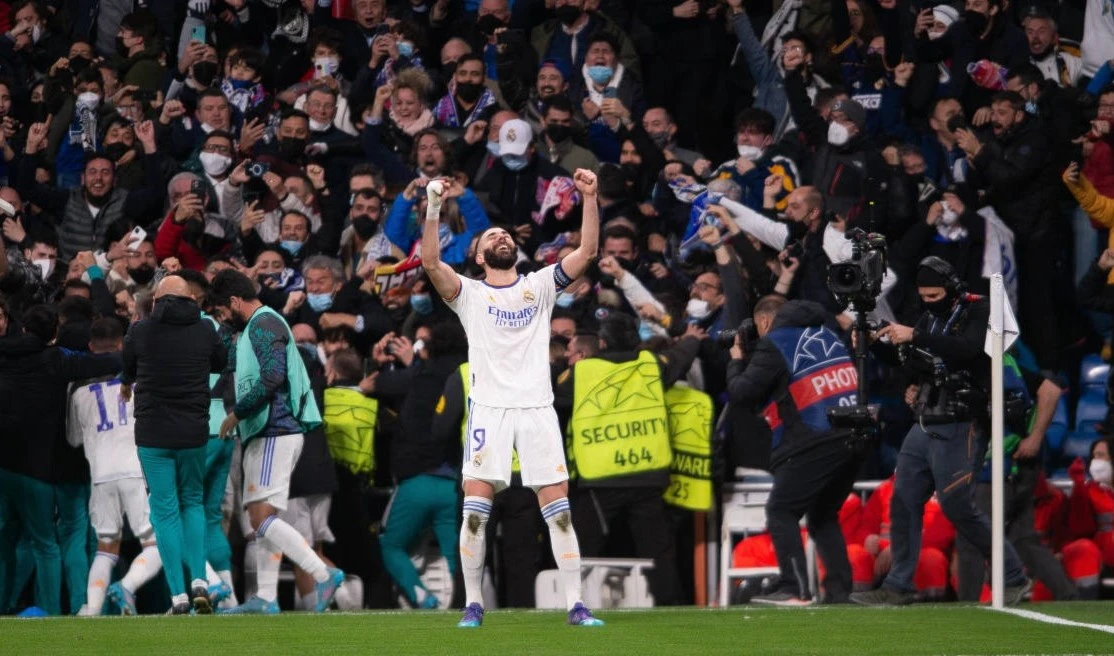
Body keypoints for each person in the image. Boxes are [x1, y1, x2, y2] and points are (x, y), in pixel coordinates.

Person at [420, 170, 604, 627]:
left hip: (537, 409)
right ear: (479, 256)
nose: (501, 237)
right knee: (476, 512)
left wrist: (590, 197)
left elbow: (587, 252)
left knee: (559, 512)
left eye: (505, 234)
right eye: (492, 237)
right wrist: (434, 207)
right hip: (489, 412)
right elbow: (430, 262)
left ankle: (576, 605)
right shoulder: (468, 293)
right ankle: (473, 604)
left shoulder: (539, 285)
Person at [851, 257, 1031, 606]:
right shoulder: (929, 318)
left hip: (962, 421)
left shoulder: (980, 310)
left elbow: (969, 349)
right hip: (926, 420)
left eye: (934, 296)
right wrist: (875, 344)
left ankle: (1013, 576)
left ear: (952, 289)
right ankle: (898, 584)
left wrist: (916, 334)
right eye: (924, 297)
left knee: (956, 505)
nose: (929, 302)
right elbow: (910, 360)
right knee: (903, 499)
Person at [209, 269, 345, 614]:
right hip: (265, 432)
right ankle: (267, 597)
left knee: (261, 519)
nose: (223, 319)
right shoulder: (251, 328)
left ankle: (323, 573)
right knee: (263, 520)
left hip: (275, 430)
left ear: (235, 301)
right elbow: (228, 363)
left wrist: (237, 413)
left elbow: (273, 376)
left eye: (223, 311)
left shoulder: (265, 323)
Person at [724, 295, 862, 605]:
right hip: (854, 436)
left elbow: (743, 393)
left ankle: (794, 588)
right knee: (823, 515)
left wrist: (736, 359)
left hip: (814, 438)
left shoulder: (776, 341)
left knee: (781, 511)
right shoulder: (827, 334)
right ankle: (840, 592)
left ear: (764, 322)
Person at [120, 276, 227, 615]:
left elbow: (127, 366)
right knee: (193, 502)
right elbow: (221, 363)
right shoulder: (205, 329)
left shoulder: (140, 331)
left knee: (164, 511)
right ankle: (199, 580)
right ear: (190, 299)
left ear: (156, 301)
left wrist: (127, 383)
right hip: (193, 433)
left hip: (153, 435)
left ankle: (178, 595)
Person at [67, 318, 162, 616]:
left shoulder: (77, 388)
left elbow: (73, 438)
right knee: (155, 544)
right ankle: (127, 587)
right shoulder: (138, 380)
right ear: (121, 344)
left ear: (90, 346)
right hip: (135, 469)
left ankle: (93, 609)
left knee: (105, 547)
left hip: (100, 473)